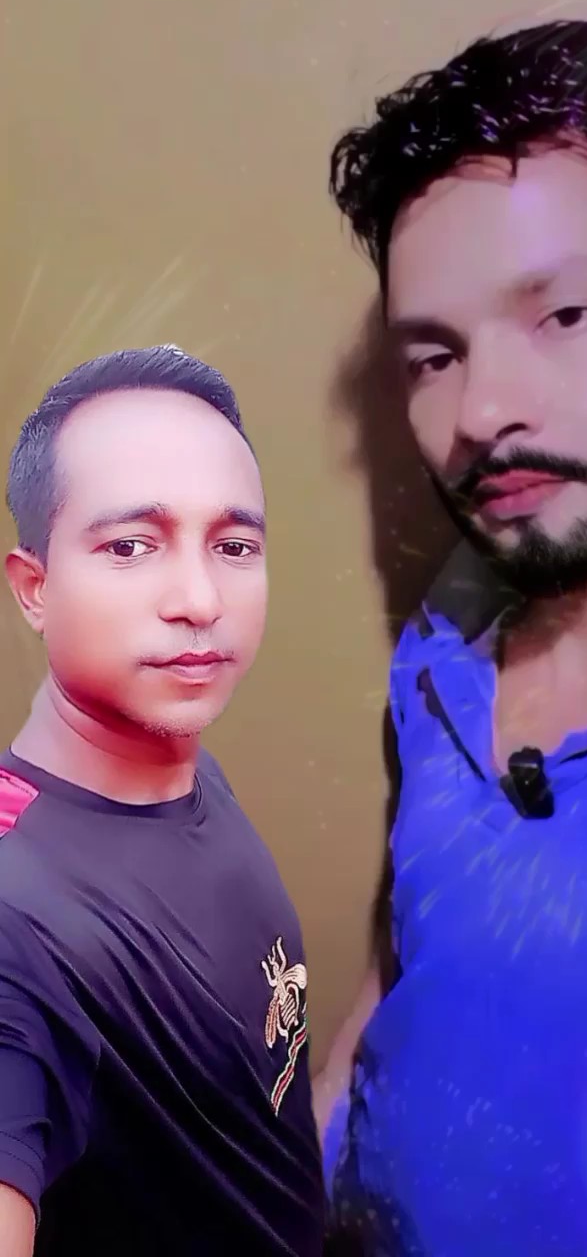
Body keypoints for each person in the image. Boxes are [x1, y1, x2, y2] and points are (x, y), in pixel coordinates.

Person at [317, 19, 587, 1256]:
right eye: (434, 354)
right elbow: (404, 979)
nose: (480, 410)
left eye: (563, 314)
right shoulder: (445, 645)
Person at [0, 346, 324, 1256]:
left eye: (234, 547)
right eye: (130, 547)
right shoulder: (19, 921)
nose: (199, 598)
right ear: (35, 588)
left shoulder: (183, 769)